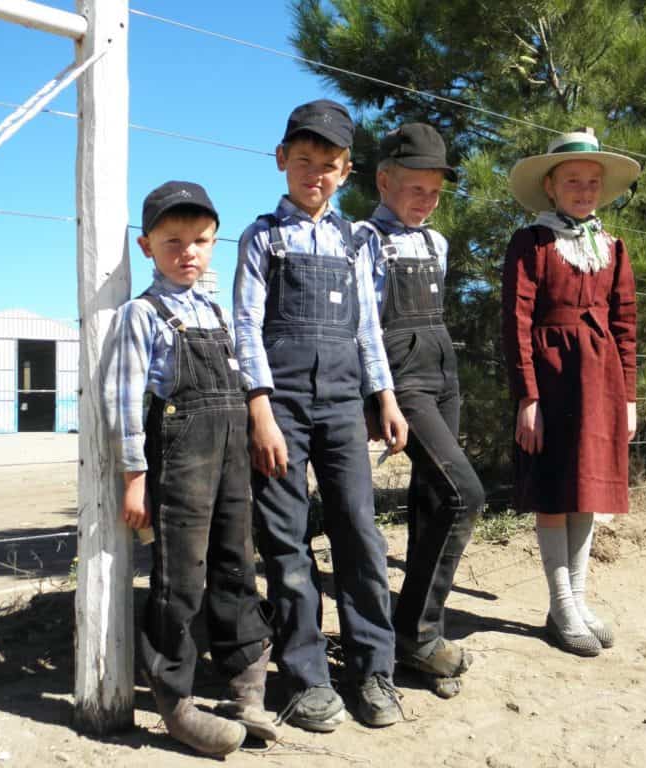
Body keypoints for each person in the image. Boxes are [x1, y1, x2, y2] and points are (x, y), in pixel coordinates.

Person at [233, 100, 409, 732]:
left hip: (342, 407)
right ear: (282, 160)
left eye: (328, 164)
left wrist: (382, 397)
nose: (315, 173)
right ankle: (305, 676)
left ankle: (374, 671)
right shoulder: (262, 238)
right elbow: (246, 327)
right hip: (279, 409)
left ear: (347, 171)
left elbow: (367, 329)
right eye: (303, 160)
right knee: (285, 543)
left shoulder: (357, 239)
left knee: (360, 532)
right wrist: (260, 411)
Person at [102, 181, 276, 756]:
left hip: (230, 461)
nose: (189, 253)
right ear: (146, 245)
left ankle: (246, 685)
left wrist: (255, 429)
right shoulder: (142, 315)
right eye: (172, 241)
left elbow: (241, 383)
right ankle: (175, 702)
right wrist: (134, 478)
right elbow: (124, 403)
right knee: (181, 578)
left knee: (236, 567)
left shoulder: (218, 311)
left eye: (200, 240)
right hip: (181, 461)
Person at [501, 129, 640, 657]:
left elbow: (625, 324)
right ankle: (560, 605)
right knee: (555, 489)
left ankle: (579, 599)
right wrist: (528, 396)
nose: (584, 190)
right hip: (552, 377)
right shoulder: (532, 243)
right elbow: (515, 322)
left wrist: (627, 397)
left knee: (589, 490)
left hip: (600, 380)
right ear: (551, 187)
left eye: (592, 182)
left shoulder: (612, 248)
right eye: (573, 180)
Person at [357, 124, 485, 698]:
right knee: (467, 494)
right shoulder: (364, 239)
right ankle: (419, 633)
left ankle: (413, 640)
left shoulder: (437, 243)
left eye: (435, 191)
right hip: (400, 375)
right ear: (384, 180)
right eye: (415, 188)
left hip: (442, 366)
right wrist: (379, 393)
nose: (426, 200)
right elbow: (363, 324)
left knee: (434, 500)